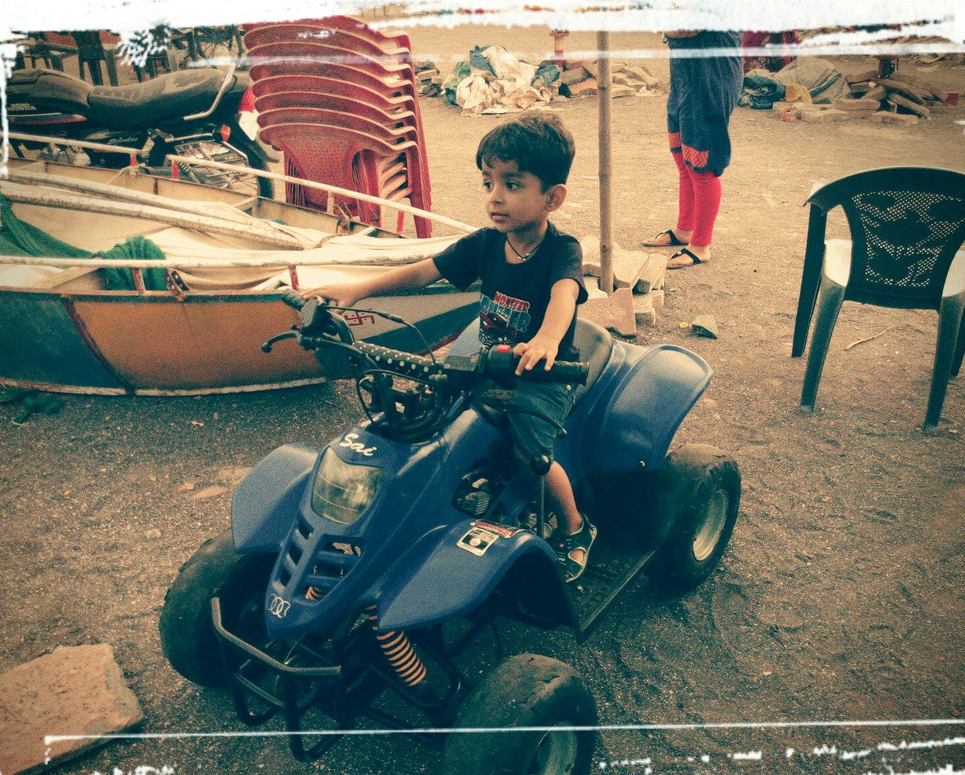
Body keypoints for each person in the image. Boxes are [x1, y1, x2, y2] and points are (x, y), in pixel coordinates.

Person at [303, 112, 598, 582]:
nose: (495, 197)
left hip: (542, 372)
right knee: (427, 417)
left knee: (530, 453)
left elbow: (565, 294)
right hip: (485, 361)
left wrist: (545, 340)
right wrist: (358, 289)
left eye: (512, 184)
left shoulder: (562, 250)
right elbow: (425, 271)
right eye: (488, 183)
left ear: (553, 198)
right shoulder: (486, 244)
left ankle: (575, 526)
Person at [643, 30, 744, 269]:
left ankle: (700, 245)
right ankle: (684, 230)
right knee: (682, 157)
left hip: (710, 76)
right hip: (686, 74)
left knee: (702, 164)